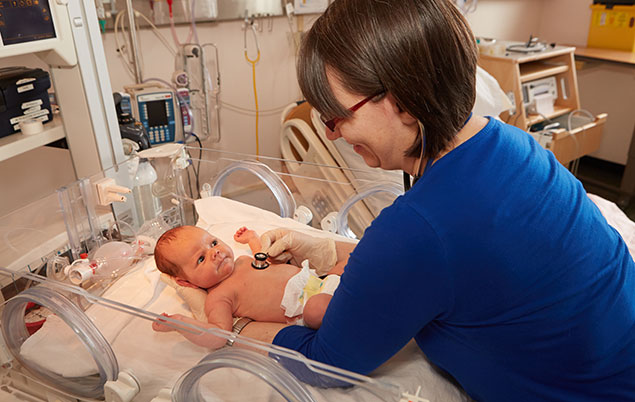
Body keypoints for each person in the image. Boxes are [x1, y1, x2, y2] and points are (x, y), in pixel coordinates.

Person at [221, 0, 635, 400]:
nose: (332, 133)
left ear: (401, 101)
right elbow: (454, 264)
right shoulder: (512, 145)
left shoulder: (419, 227)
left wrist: (229, 324)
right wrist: (330, 251)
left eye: (337, 116)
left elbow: (325, 363)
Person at [151, 225, 341, 346]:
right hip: (307, 307)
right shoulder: (218, 297)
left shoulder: (242, 260)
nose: (215, 252)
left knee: (348, 266)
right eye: (201, 259)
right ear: (186, 282)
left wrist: (253, 239)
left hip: (322, 282)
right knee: (319, 308)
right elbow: (217, 336)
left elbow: (264, 257)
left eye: (213, 243)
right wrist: (180, 323)